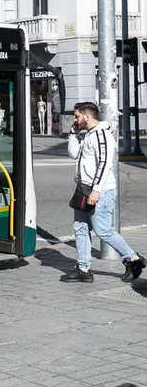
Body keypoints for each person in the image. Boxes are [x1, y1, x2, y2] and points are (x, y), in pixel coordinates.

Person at [60, 102, 146, 283]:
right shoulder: (89, 134)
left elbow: (105, 164)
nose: (75, 119)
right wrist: (73, 134)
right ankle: (84, 269)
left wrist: (96, 190)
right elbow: (74, 154)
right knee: (80, 228)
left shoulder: (101, 135)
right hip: (83, 189)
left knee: (103, 230)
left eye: (77, 116)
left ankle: (133, 259)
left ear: (87, 116)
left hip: (100, 191)